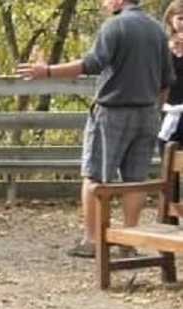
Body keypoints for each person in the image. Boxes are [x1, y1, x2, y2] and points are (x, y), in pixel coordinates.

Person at [16, 0, 172, 259]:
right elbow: (166, 80)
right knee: (136, 180)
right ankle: (128, 241)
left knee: (95, 175)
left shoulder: (115, 26)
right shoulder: (157, 30)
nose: (103, 3)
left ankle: (92, 240)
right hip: (147, 112)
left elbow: (91, 63)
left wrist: (47, 71)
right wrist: (155, 110)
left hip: (113, 112)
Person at [158, 0, 183, 152]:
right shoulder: (162, 45)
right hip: (168, 109)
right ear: (170, 19)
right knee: (166, 147)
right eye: (180, 18)